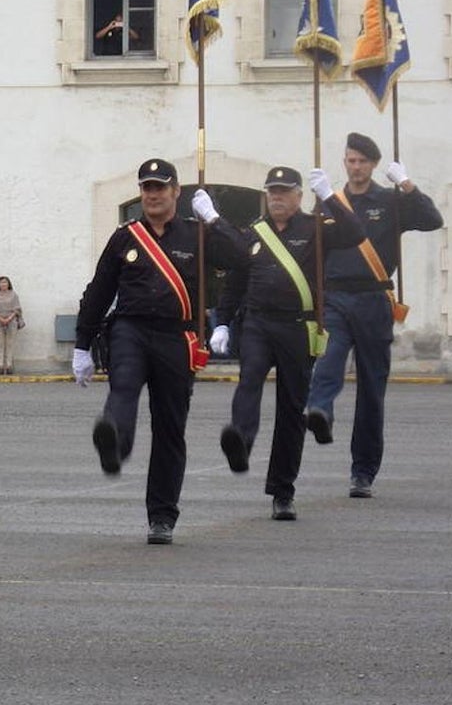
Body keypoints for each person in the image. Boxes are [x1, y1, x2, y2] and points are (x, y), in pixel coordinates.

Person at [72, 158, 243, 544]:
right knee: (124, 388)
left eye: (160, 187)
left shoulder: (197, 234)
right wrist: (82, 344)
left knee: (170, 429)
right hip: (130, 329)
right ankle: (115, 442)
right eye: (146, 187)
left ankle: (162, 516)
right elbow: (99, 290)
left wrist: (215, 220)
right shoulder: (126, 236)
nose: (152, 194)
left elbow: (240, 258)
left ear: (176, 192)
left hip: (177, 338)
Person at [209, 166, 364, 520]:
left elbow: (355, 233)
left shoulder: (317, 229)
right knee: (249, 379)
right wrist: (221, 322)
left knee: (291, 410)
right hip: (258, 323)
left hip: (298, 327)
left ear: (298, 196)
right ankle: (241, 439)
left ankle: (282, 491)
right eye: (272, 192)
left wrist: (330, 196)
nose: (277, 198)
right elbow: (235, 277)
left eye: (284, 191)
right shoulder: (253, 233)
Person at [304, 133, 444, 498]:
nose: (355, 167)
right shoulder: (330, 201)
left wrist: (407, 185)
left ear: (374, 165)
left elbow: (432, 220)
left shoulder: (390, 201)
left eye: (362, 161)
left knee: (371, 389)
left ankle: (362, 471)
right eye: (350, 160)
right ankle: (319, 411)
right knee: (329, 358)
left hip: (373, 298)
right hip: (335, 296)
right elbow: (312, 248)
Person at [0, 275, 22, 376]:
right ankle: (0, 365)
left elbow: (17, 309)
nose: (3, 284)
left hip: (11, 321)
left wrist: (8, 318)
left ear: (9, 284)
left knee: (9, 343)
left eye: (5, 282)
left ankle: (9, 366)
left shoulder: (13, 295)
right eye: (1, 282)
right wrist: (0, 319)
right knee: (0, 344)